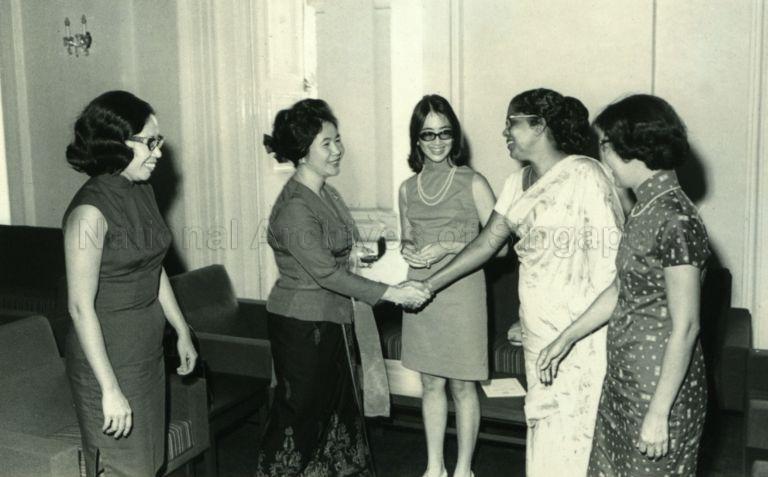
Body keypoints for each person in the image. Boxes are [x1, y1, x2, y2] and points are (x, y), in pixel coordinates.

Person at [417, 88, 624, 476]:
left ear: (540, 125)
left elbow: (615, 271)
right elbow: (487, 243)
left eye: (512, 122)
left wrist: (571, 333)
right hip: (538, 332)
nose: (504, 132)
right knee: (544, 432)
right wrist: (430, 284)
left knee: (578, 436)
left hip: (582, 335)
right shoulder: (517, 182)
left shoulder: (588, 176)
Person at [537, 94, 710, 476]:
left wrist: (659, 413)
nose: (604, 160)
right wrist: (566, 337)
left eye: (605, 147)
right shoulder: (645, 207)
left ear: (634, 148)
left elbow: (687, 326)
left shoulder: (676, 219)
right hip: (624, 385)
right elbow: (622, 289)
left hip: (659, 392)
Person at [257, 98, 430, 477]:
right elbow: (326, 274)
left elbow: (336, 252)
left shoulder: (324, 192)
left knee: (336, 414)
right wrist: (391, 293)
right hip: (303, 325)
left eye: (338, 140)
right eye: (327, 144)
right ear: (302, 153)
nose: (339, 150)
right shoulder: (294, 208)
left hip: (333, 318)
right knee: (300, 419)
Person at [63, 91, 198, 476]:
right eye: (149, 142)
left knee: (148, 462)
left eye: (159, 142)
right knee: (124, 468)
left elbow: (153, 267)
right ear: (117, 143)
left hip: (147, 355)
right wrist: (109, 389)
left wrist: (181, 329)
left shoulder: (143, 191)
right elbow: (79, 307)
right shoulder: (89, 212)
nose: (158, 152)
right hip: (108, 360)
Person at [398, 94, 498, 477]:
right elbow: (407, 237)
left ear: (455, 137)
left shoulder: (473, 181)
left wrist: (447, 246)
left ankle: (463, 470)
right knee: (430, 383)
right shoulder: (408, 188)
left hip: (463, 293)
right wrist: (411, 251)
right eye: (428, 135)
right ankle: (434, 466)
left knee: (462, 385)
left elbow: (499, 246)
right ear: (417, 140)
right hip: (420, 292)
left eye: (445, 133)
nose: (437, 142)